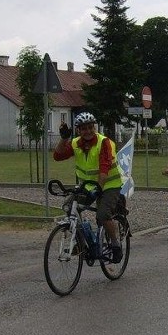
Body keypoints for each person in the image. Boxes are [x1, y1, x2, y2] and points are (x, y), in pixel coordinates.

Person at [53, 112, 124, 263]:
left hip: (109, 184)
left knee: (103, 215)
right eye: (84, 128)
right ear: (78, 130)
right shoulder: (75, 143)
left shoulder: (103, 142)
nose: (88, 131)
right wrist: (64, 138)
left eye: (90, 127)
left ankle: (115, 244)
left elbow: (104, 167)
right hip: (89, 186)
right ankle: (80, 243)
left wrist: (99, 187)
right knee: (68, 207)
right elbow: (58, 156)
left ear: (94, 127)